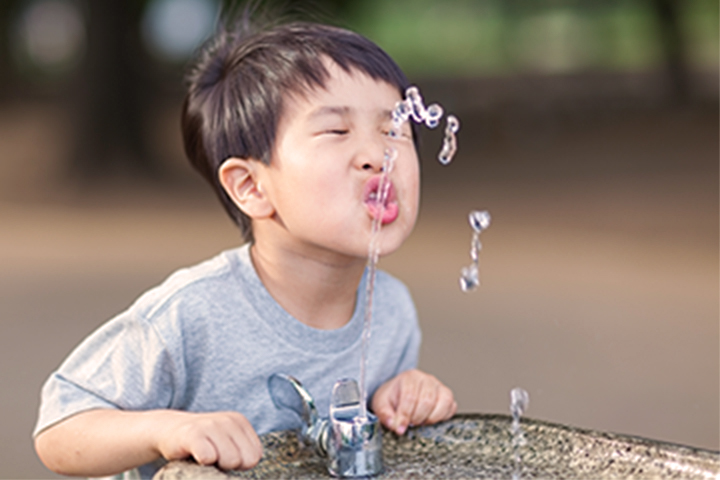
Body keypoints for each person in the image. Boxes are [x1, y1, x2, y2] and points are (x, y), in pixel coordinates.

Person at [33, 14, 457, 480]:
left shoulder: (392, 310)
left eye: (395, 128)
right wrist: (165, 429)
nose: (380, 155)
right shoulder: (192, 315)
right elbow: (59, 429)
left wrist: (403, 396)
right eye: (337, 131)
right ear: (251, 186)